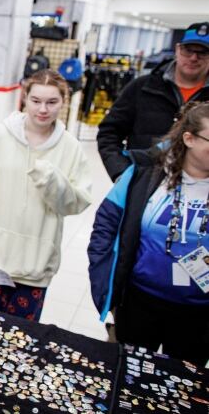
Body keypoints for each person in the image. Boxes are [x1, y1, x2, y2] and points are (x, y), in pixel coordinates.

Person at [0, 70, 92, 321]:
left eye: (52, 102)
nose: (43, 109)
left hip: (36, 267)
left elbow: (76, 203)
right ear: (24, 99)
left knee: (21, 343)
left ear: (63, 102)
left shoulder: (70, 148)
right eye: (36, 101)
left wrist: (51, 179)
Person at [88, 101, 209, 366]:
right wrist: (104, 282)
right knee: (127, 381)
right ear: (188, 138)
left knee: (185, 393)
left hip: (199, 314)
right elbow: (105, 226)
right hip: (139, 303)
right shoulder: (145, 172)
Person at [98, 22, 209, 181]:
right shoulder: (142, 87)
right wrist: (120, 171)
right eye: (188, 50)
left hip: (199, 190)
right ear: (178, 49)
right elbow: (109, 132)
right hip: (142, 182)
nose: (193, 58)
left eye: (203, 53)